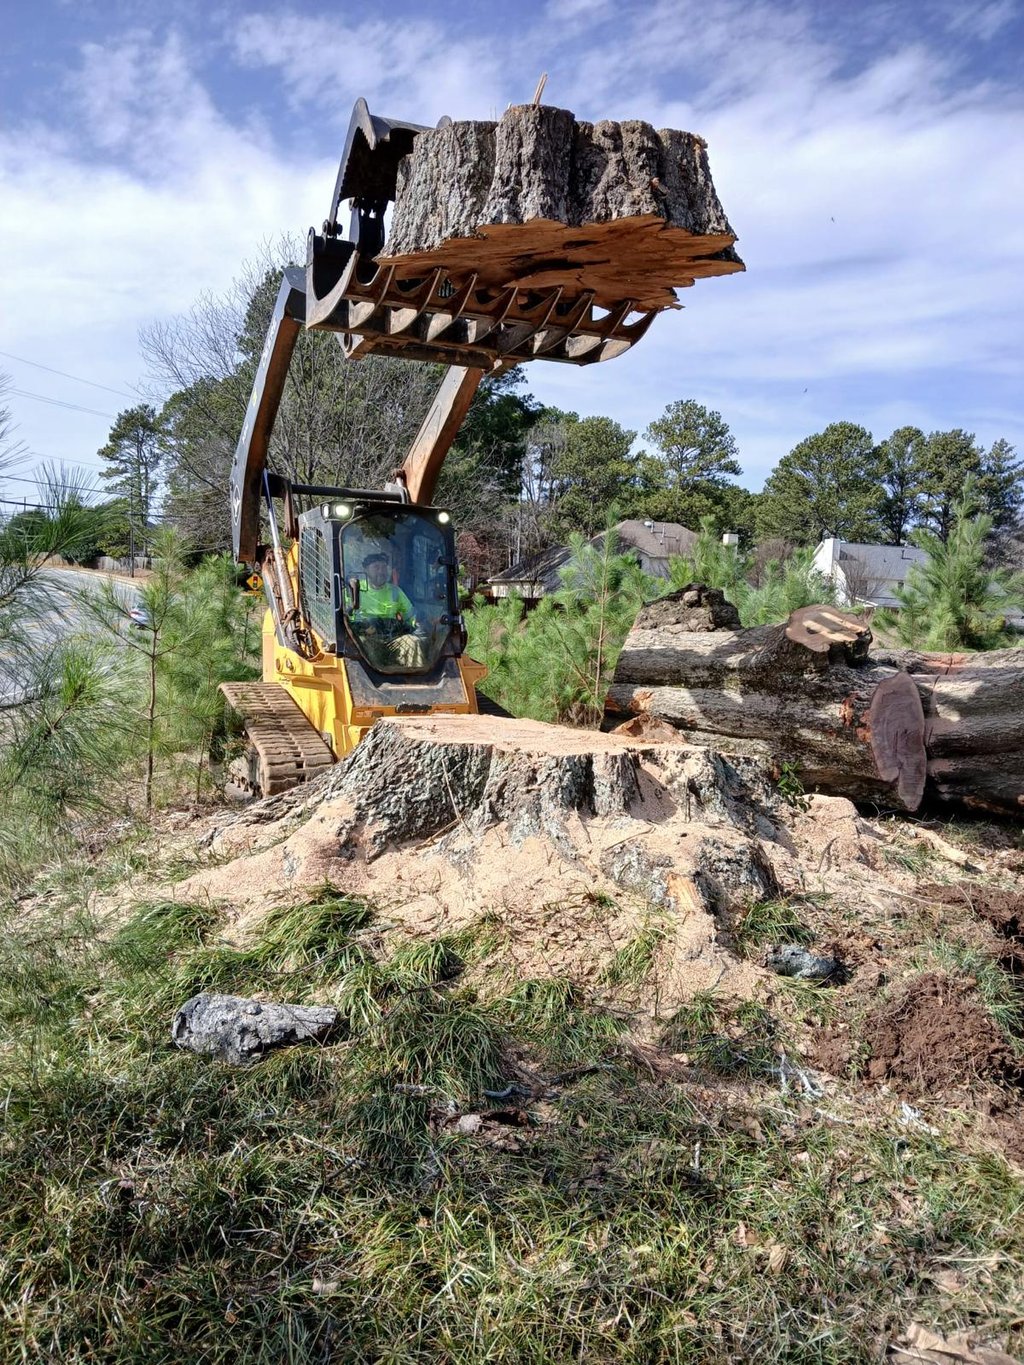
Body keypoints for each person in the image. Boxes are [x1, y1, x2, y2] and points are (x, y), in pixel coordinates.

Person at [354, 552, 416, 630]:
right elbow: (346, 617)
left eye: (384, 567)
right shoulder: (355, 589)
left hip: (391, 634)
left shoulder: (395, 591)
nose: (381, 571)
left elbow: (411, 615)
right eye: (376, 567)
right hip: (360, 635)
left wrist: (415, 626)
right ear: (366, 570)